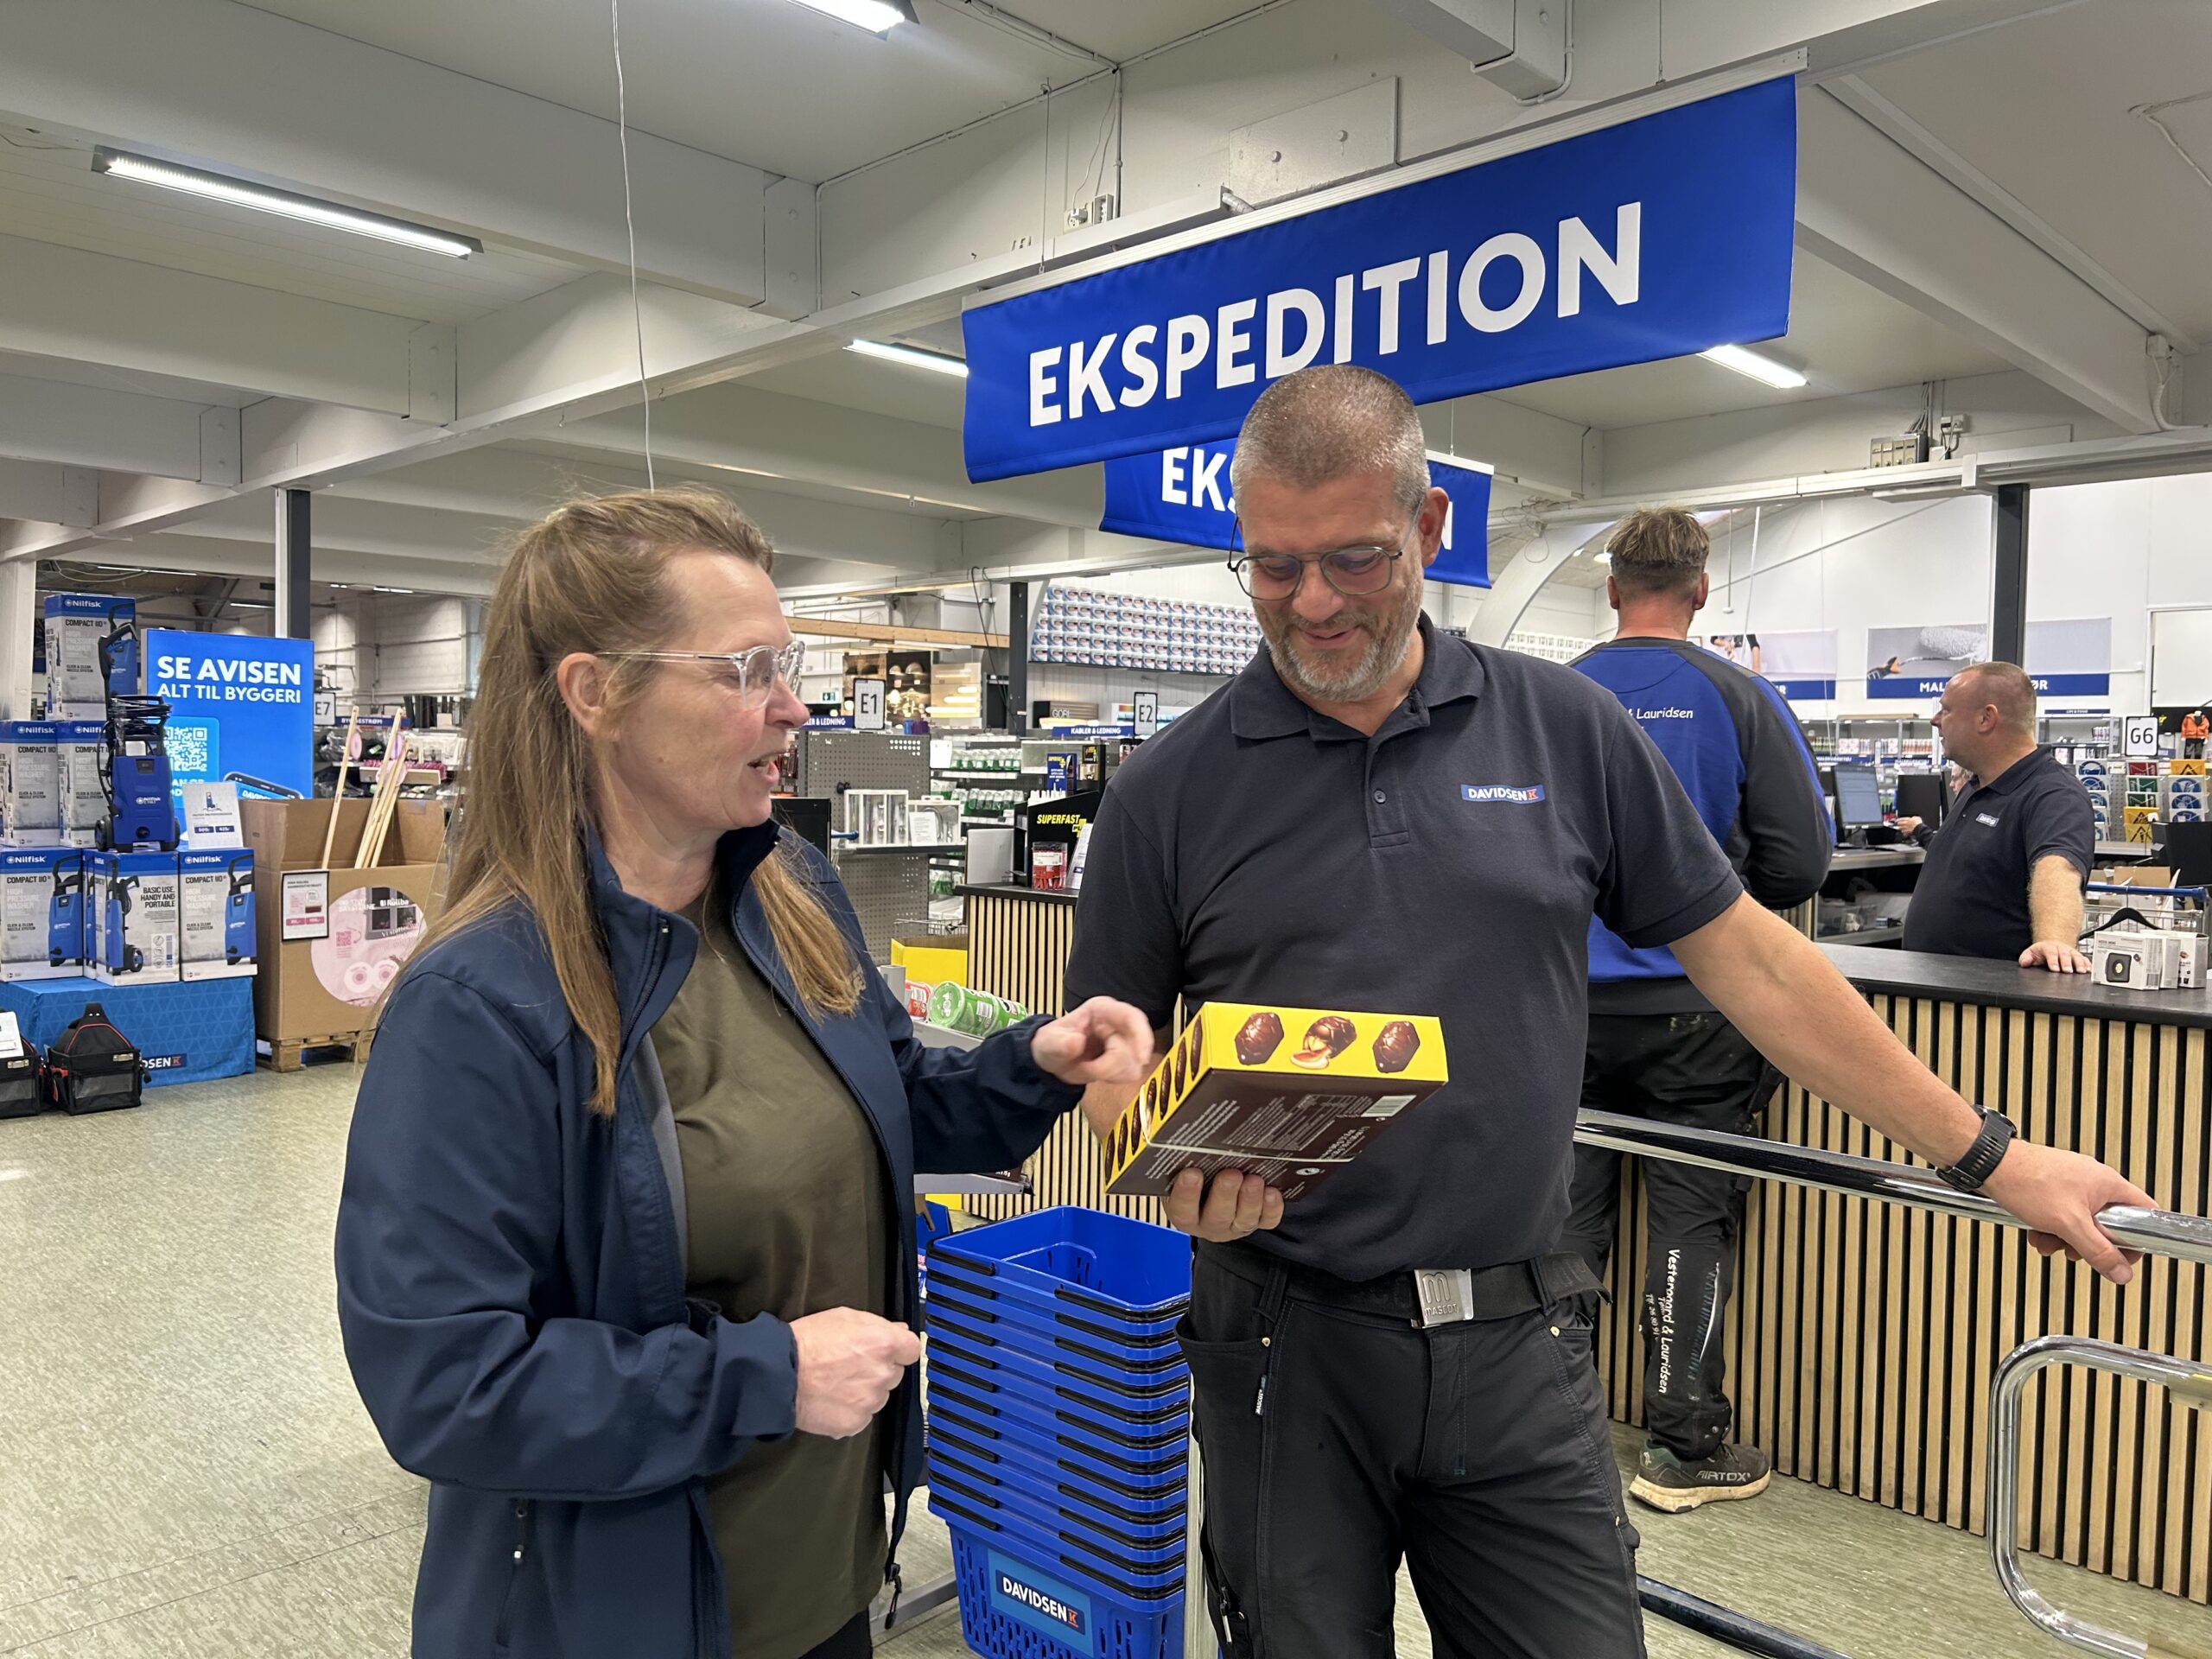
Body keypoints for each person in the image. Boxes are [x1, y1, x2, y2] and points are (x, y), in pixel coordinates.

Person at [1065, 365, 2153, 1659]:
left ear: (1426, 532)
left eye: (1352, 560)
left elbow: (1755, 964)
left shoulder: (1562, 730)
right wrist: (1164, 1153)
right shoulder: (1168, 791)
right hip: (1281, 1345)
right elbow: (1110, 1054)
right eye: (1269, 567)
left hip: (1521, 1340)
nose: (1309, 604)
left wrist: (1991, 1154)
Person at [333, 489, 1152, 1659]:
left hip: (820, 1586)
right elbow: (443, 1382)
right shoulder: (483, 1003)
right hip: (622, 1619)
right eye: (746, 669)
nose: (793, 703)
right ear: (594, 692)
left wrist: (1039, 1064)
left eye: (792, 661)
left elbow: (891, 1102)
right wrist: (764, 1377)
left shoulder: (789, 892)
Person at [1564, 508, 1833, 1513]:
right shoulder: (1739, 695)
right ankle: (1680, 1448)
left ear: (1612, 588)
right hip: (1700, 1007)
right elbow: (1802, 860)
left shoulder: (1554, 693)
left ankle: (1552, 1433)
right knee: (1690, 1213)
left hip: (1566, 1009)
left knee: (1562, 1217)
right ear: (1701, 590)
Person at [1896, 662, 2096, 973]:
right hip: (1938, 995)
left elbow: (2058, 870)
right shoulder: (1975, 786)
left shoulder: (2053, 794)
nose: (1936, 721)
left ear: (1986, 718)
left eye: (1946, 710)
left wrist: (2054, 941)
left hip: (1989, 1006)